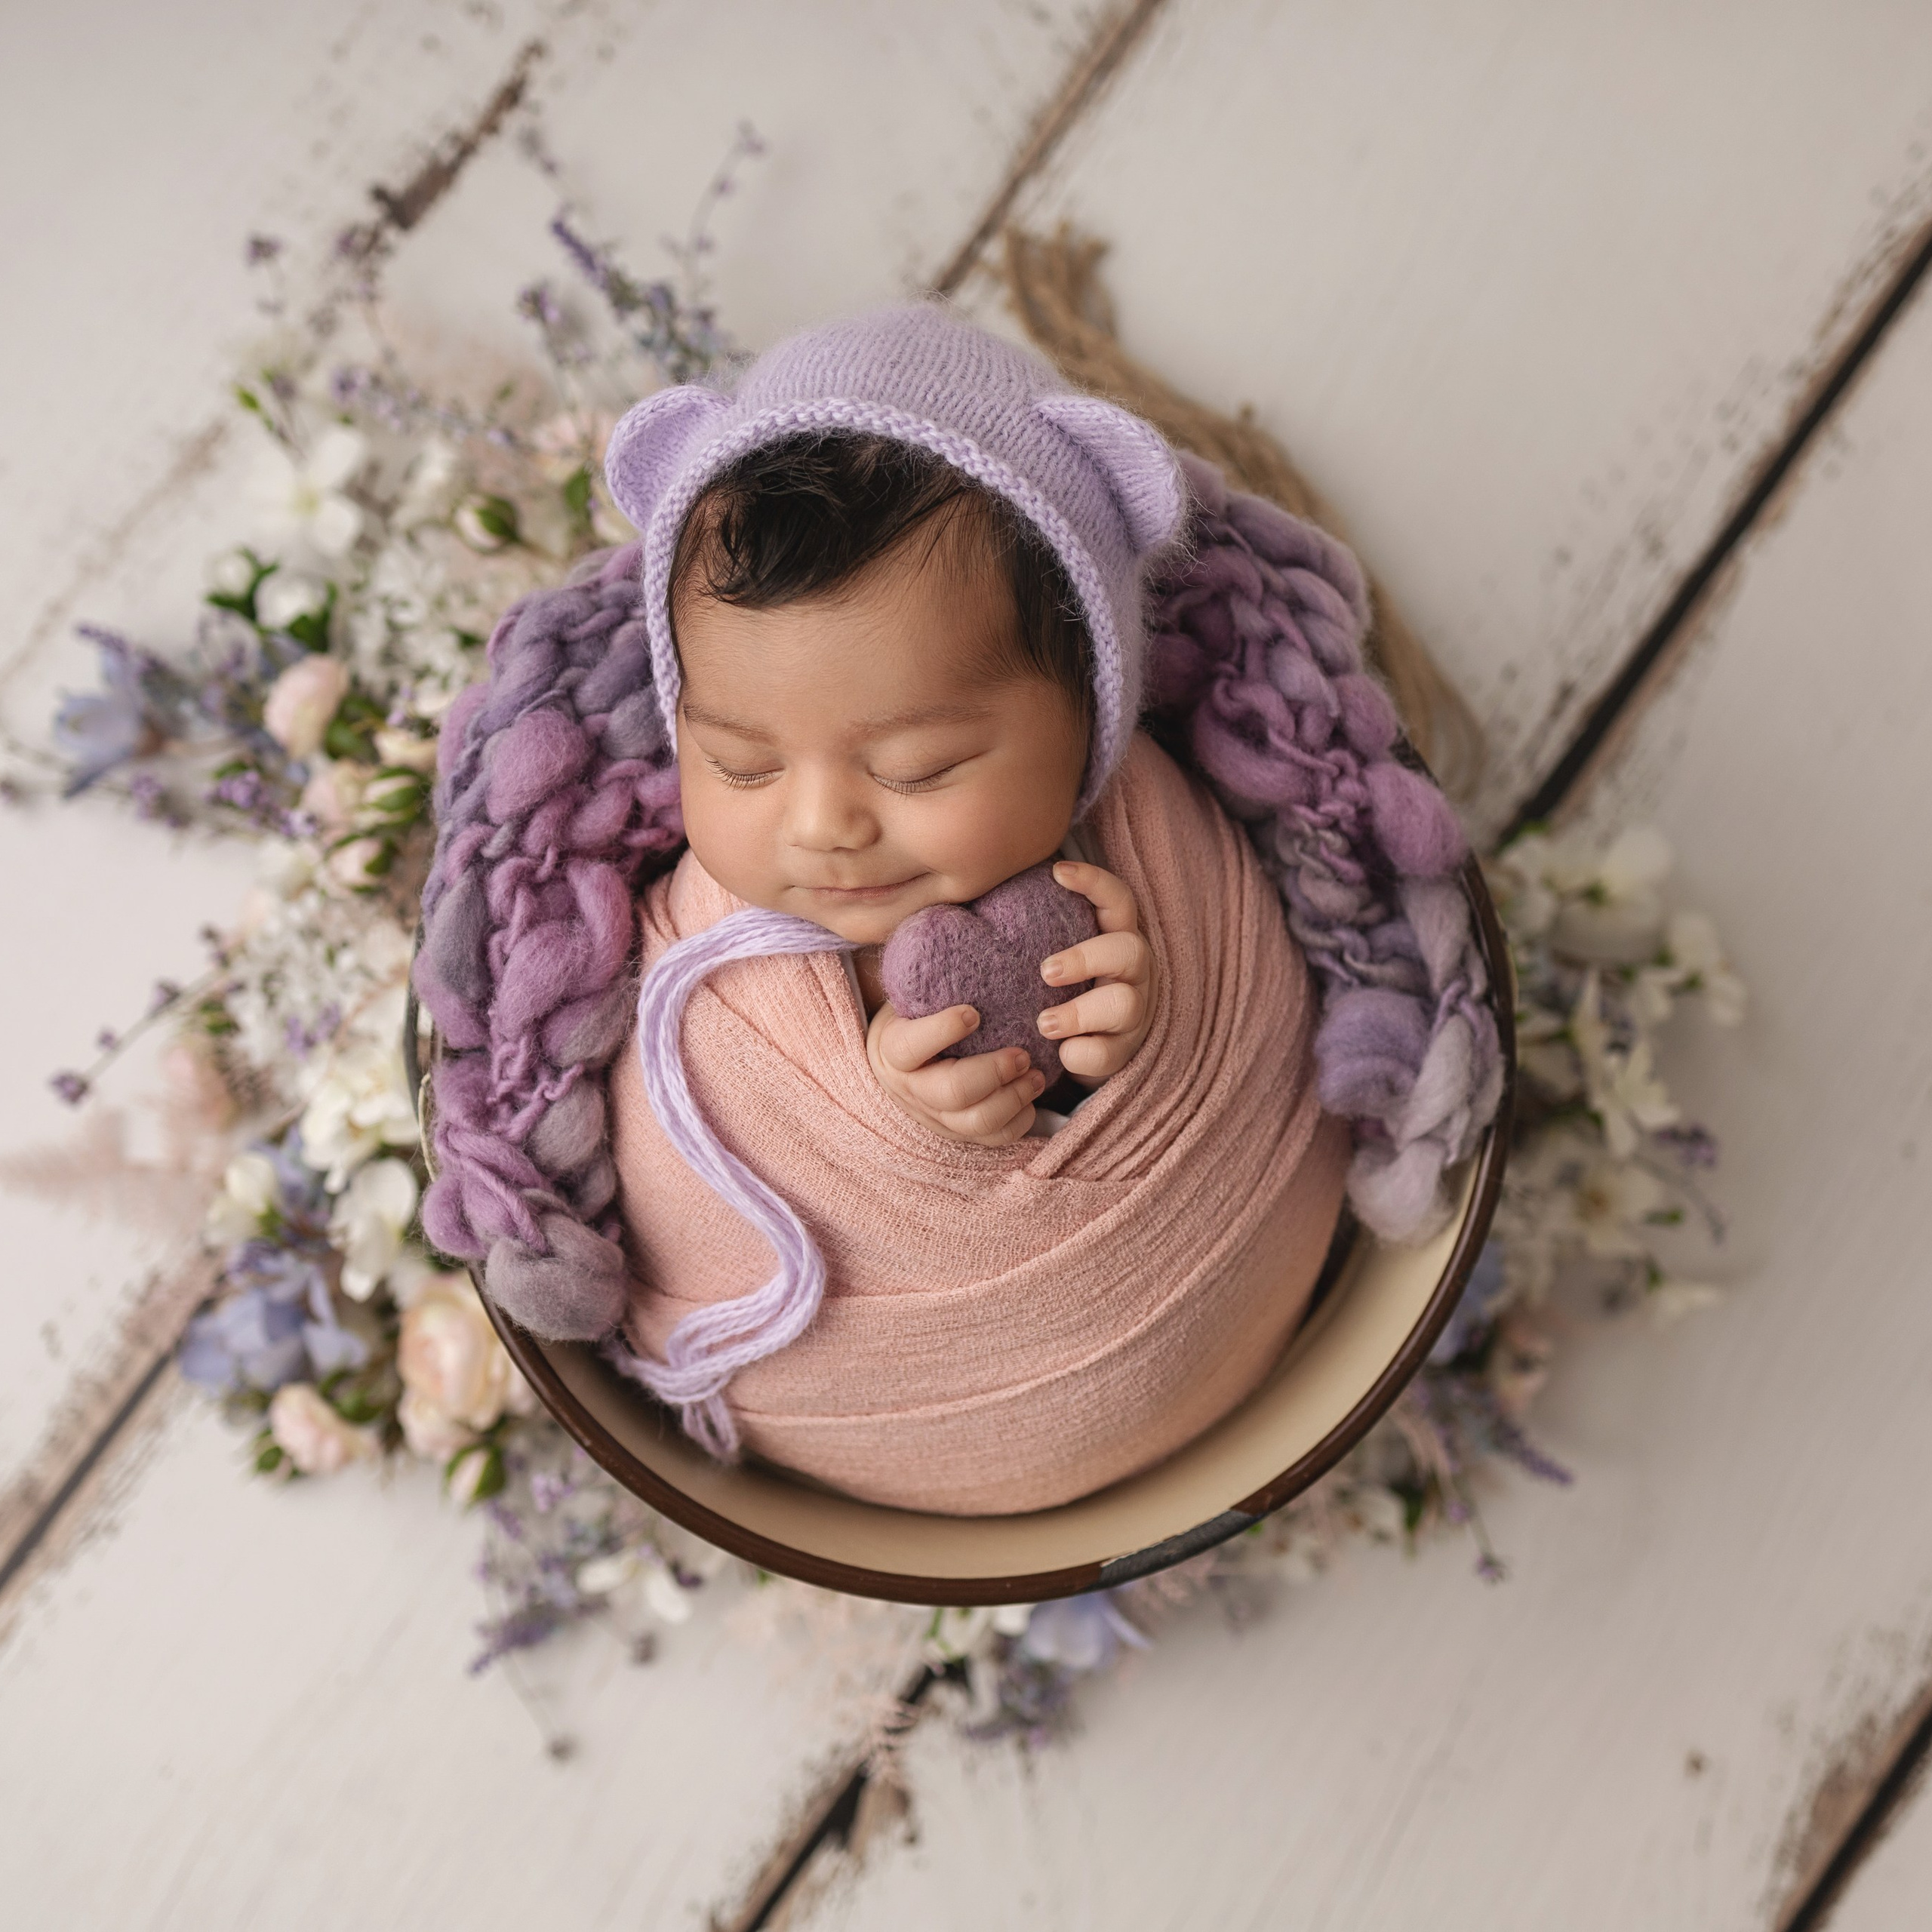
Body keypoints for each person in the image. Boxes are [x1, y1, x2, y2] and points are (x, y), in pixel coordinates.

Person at [414, 303, 1501, 1515]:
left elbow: (1226, 1024)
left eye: (919, 768)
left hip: (1223, 1309)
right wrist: (891, 1107)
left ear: (1096, 712)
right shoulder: (664, 947)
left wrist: (1125, 1036)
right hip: (830, 1403)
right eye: (742, 764)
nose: (823, 824)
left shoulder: (1162, 842)